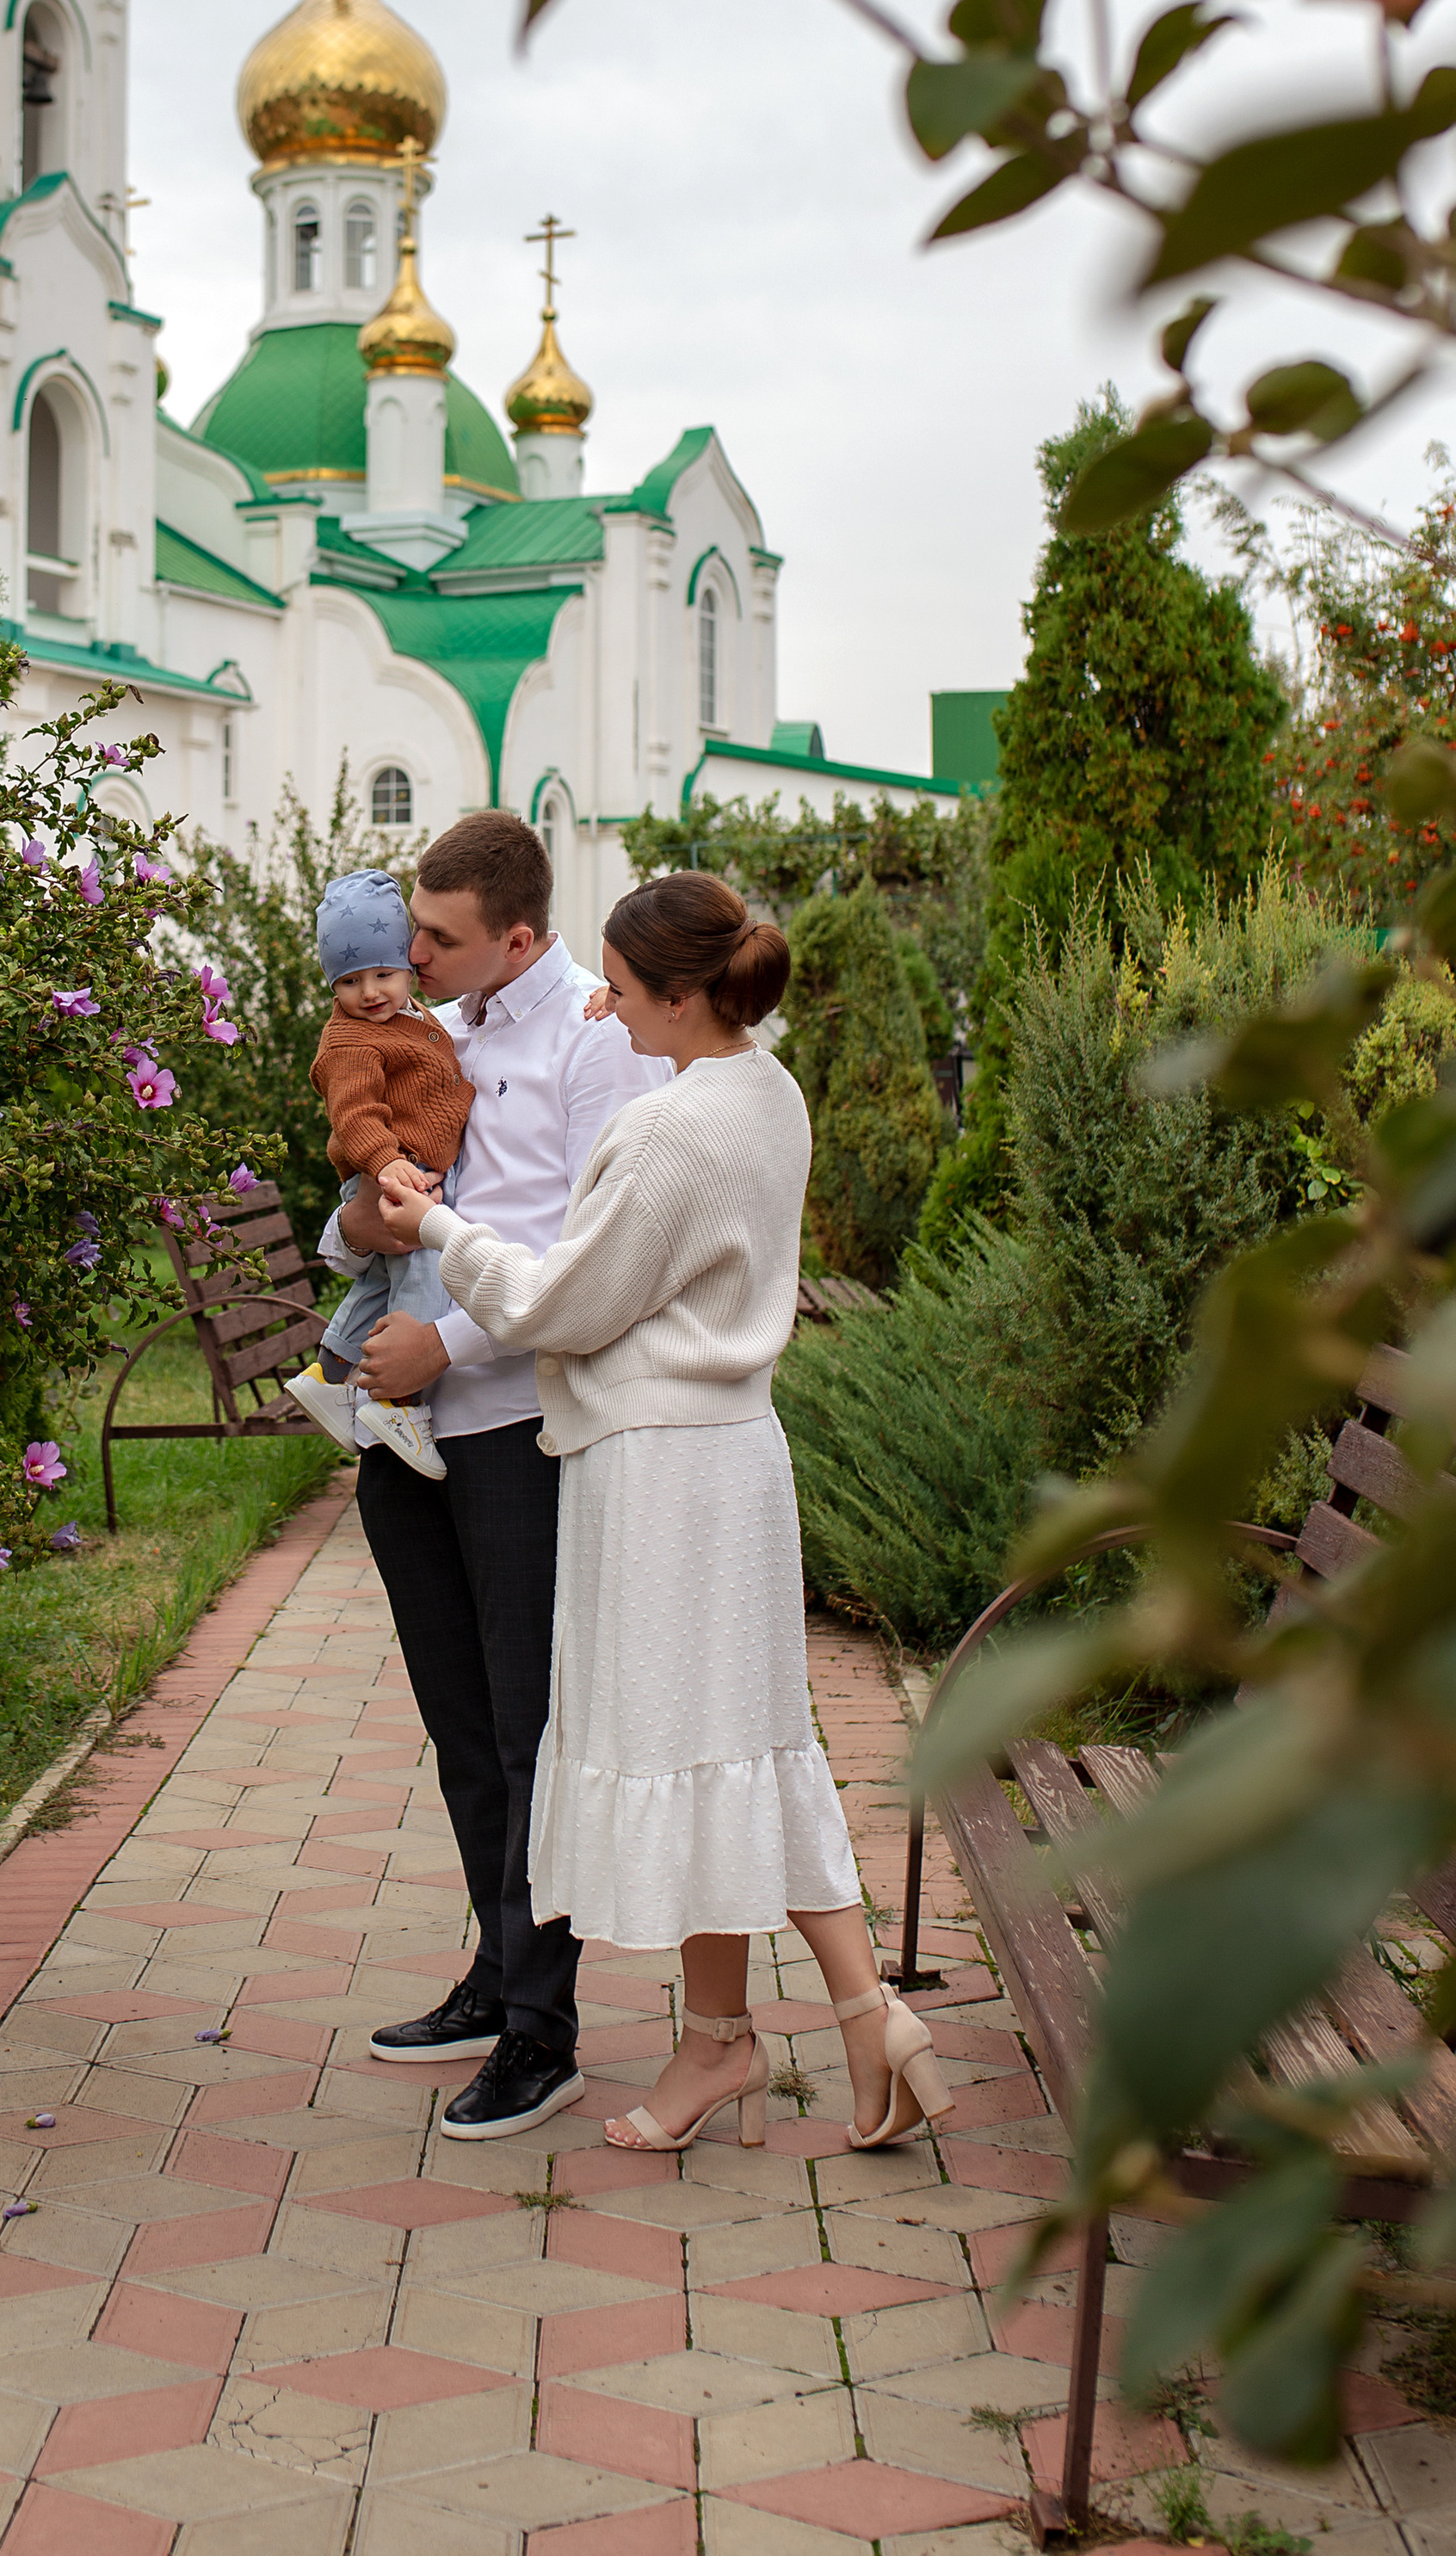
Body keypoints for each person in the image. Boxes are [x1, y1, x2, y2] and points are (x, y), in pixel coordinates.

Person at [376, 869, 953, 2157]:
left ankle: (819, 2025)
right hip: (735, 1458)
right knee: (736, 1745)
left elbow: (562, 1306)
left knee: (700, 1748)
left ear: (681, 995)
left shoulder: (668, 1131)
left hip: (658, 1473)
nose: (603, 1008)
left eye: (623, 991)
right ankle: (758, 2039)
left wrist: (442, 1228)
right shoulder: (769, 1093)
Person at [328, 812, 669, 2140]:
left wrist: (448, 1344)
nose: (407, 954)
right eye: (411, 930)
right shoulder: (430, 1031)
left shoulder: (597, 1039)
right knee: (459, 1725)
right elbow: (367, 1213)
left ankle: (545, 2029)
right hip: (401, 1437)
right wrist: (356, 1222)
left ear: (519, 936)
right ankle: (493, 1966)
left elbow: (594, 1261)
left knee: (532, 1735)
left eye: (439, 936)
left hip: (515, 1431)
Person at [284, 867, 473, 1480]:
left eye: (383, 974)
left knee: (379, 1286)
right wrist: (388, 1163)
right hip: (391, 1170)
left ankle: (331, 1374)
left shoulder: (409, 1015)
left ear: (407, 968)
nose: (370, 992)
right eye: (349, 980)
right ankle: (399, 1403)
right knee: (423, 1274)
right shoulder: (350, 1041)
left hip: (403, 1167)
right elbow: (356, 1114)